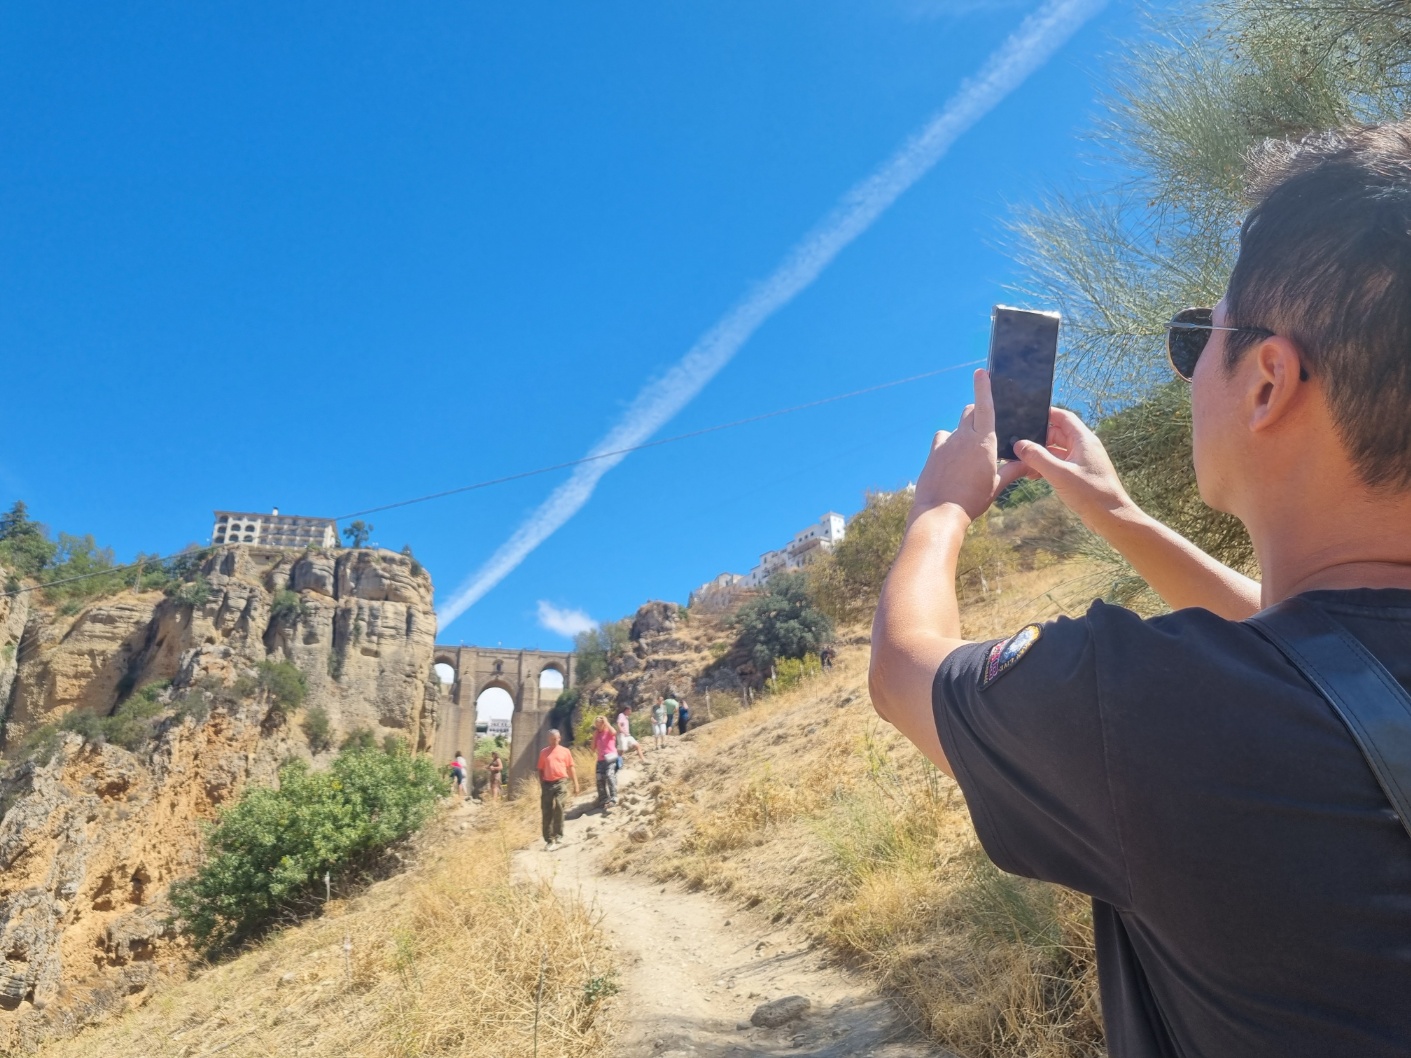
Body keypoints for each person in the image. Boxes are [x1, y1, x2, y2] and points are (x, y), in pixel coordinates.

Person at [869, 123, 1411, 1057]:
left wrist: (939, 512)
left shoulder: (1144, 707)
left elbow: (903, 672)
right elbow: (1329, 665)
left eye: (1198, 335)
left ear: (1267, 383)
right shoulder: (1319, 684)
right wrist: (1119, 516)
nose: (1189, 366)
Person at [535, 730, 578, 849]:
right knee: (546, 811)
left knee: (559, 805)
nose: (554, 741)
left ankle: (558, 835)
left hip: (561, 782)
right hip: (547, 784)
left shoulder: (565, 751)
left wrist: (576, 784)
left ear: (560, 738)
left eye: (556, 739)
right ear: (548, 739)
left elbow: (571, 768)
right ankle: (549, 840)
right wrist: (542, 783)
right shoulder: (544, 752)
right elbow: (540, 769)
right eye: (552, 739)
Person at [591, 715, 619, 810]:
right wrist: (594, 736)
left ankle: (613, 798)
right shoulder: (597, 734)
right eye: (596, 725)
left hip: (610, 758)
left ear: (603, 724)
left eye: (599, 724)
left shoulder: (608, 731)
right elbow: (593, 748)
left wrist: (606, 722)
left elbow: (614, 732)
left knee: (609, 775)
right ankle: (603, 799)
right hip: (600, 759)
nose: (598, 727)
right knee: (599, 779)